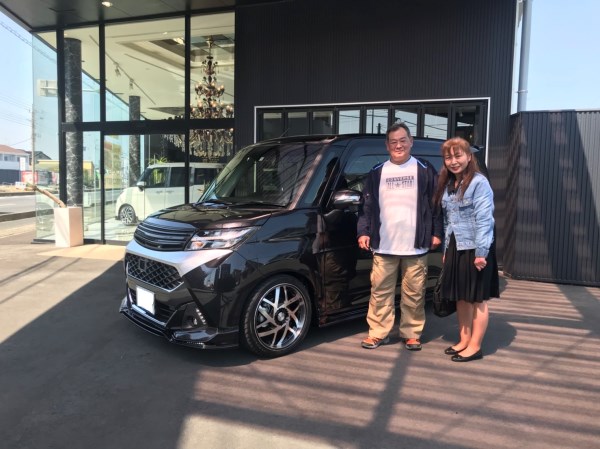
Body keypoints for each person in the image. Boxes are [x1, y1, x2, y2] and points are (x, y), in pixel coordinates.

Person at [357, 122, 442, 350]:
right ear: (387, 145)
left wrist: (436, 232)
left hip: (416, 244)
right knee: (380, 292)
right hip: (384, 244)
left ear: (411, 142)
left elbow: (435, 204)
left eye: (403, 140)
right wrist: (363, 231)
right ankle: (378, 333)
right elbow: (366, 206)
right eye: (393, 142)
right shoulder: (377, 172)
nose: (398, 145)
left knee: (414, 292)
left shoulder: (424, 169)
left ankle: (411, 333)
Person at [433, 137, 499, 362]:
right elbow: (448, 221)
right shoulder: (449, 184)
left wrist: (481, 252)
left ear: (469, 157)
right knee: (461, 297)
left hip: (476, 247)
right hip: (456, 246)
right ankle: (464, 339)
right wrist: (446, 249)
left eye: (458, 155)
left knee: (477, 298)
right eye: (448, 157)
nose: (453, 161)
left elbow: (485, 219)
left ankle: (475, 346)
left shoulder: (479, 182)